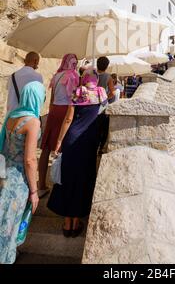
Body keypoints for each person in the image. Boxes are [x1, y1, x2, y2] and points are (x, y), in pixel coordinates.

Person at [47, 70, 107, 237]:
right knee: (83, 178)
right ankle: (76, 220)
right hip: (89, 142)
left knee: (68, 178)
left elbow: (68, 119)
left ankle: (67, 222)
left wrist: (59, 141)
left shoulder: (78, 92)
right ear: (96, 79)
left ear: (83, 79)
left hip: (72, 139)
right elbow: (103, 116)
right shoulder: (101, 93)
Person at [0, 81, 46, 264]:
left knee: (4, 223)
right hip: (18, 182)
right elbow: (30, 160)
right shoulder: (33, 122)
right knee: (10, 228)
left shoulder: (11, 116)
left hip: (4, 176)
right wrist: (34, 192)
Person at [38, 54, 79, 198]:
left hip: (54, 110)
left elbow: (52, 98)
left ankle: (41, 185)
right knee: (61, 149)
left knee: (46, 148)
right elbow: (74, 98)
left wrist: (51, 112)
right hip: (66, 110)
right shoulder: (74, 76)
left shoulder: (56, 76)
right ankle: (59, 189)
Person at [96, 57, 115, 152]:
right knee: (102, 128)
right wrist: (105, 98)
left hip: (91, 104)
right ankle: (100, 148)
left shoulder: (92, 74)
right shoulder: (108, 77)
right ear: (107, 66)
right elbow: (112, 93)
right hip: (102, 106)